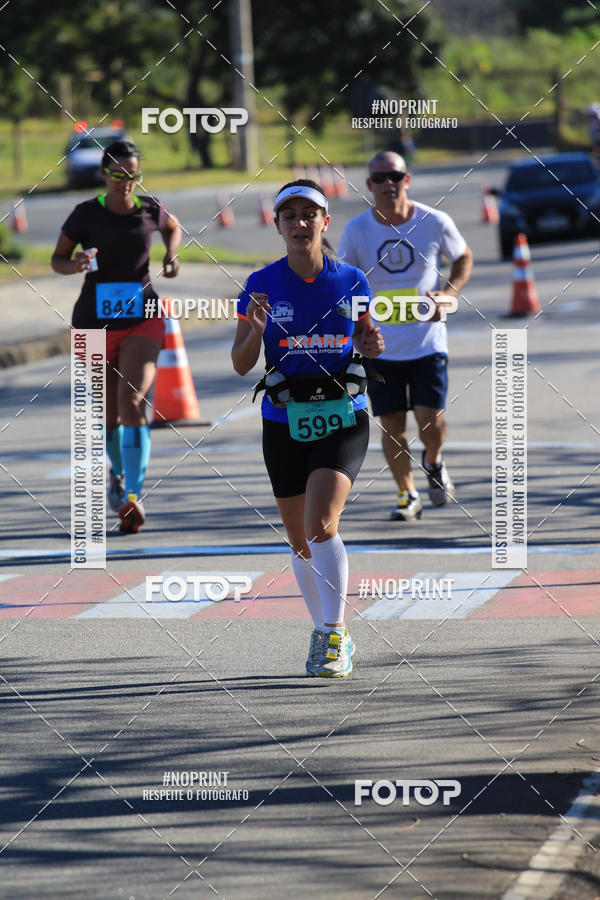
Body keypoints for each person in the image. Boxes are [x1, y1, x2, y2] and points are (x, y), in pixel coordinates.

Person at [231, 179, 384, 678]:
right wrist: (254, 332)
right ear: (277, 225)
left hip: (343, 414)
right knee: (299, 540)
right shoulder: (260, 285)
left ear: (325, 221)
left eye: (309, 214)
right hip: (284, 419)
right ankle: (324, 627)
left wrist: (372, 342)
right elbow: (239, 365)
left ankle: (332, 635)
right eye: (289, 215)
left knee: (322, 524)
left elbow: (369, 342)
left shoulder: (353, 281)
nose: (300, 223)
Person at [51, 140, 181, 533]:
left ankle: (132, 497)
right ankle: (119, 476)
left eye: (133, 175)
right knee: (107, 414)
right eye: (119, 174)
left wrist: (170, 255)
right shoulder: (85, 214)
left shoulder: (149, 209)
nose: (127, 182)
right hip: (92, 322)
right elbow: (57, 260)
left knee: (132, 401)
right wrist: (73, 265)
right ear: (105, 174)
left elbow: (173, 228)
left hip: (143, 316)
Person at [338, 151, 473, 521]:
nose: (388, 184)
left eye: (394, 176)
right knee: (392, 426)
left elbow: (463, 257)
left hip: (427, 342)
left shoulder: (433, 221)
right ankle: (407, 493)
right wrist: (355, 329)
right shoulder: (357, 230)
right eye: (379, 178)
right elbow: (344, 281)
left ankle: (434, 459)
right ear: (369, 185)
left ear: (407, 180)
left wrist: (448, 293)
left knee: (431, 419)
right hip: (380, 347)